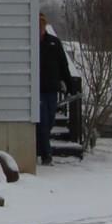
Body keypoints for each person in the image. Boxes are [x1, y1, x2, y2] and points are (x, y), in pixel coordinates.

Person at [38, 12, 72, 164]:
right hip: (37, 90)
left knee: (49, 122)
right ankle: (46, 155)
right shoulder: (32, 43)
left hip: (51, 89)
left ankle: (41, 149)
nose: (40, 28)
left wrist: (69, 84)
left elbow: (63, 65)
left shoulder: (54, 43)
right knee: (42, 123)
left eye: (41, 25)